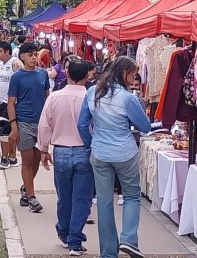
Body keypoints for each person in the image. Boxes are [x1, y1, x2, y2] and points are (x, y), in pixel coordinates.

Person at [77, 56, 151, 258]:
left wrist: (90, 143)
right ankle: (128, 239)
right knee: (131, 196)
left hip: (100, 152)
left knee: (103, 202)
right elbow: (144, 126)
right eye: (133, 75)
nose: (134, 79)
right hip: (124, 153)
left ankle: (108, 252)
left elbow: (82, 124)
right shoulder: (128, 98)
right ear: (124, 73)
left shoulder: (92, 92)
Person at [38, 60, 92, 255]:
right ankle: (74, 239)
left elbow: (45, 124)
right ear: (87, 76)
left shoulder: (54, 97)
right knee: (82, 198)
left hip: (60, 151)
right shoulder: (90, 98)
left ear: (67, 74)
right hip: (84, 151)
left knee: (64, 196)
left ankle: (64, 231)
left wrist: (43, 149)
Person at [8, 42, 50, 213]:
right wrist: (14, 126)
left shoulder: (43, 74)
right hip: (23, 121)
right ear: (22, 57)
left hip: (40, 122)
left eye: (35, 54)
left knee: (37, 157)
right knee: (27, 159)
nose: (34, 57)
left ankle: (26, 189)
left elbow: (47, 98)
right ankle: (32, 197)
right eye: (30, 54)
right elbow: (11, 103)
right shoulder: (17, 77)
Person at [0, 41, 23, 169]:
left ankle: (6, 158)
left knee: (5, 133)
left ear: (7, 52)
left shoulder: (15, 63)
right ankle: (11, 157)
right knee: (6, 132)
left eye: (0, 51)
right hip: (1, 103)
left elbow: (22, 78)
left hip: (10, 103)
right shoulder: (0, 64)